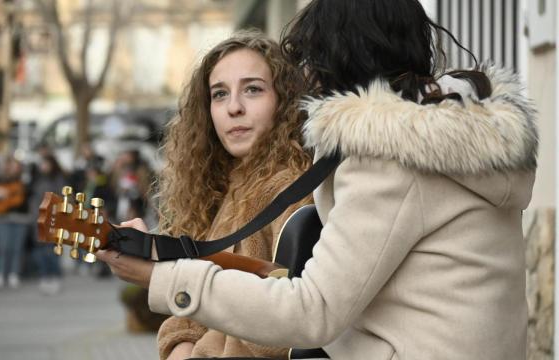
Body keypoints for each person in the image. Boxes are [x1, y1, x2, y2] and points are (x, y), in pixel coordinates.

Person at [97, 1, 538, 359]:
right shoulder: (457, 134)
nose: (307, 79)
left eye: (314, 62)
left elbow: (311, 312)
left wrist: (164, 280)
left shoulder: (391, 160)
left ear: (341, 62)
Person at [147, 30, 314, 360]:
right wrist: (181, 344)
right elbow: (197, 305)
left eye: (252, 89)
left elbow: (287, 327)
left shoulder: (294, 188)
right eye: (219, 94)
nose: (233, 107)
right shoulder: (225, 189)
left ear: (284, 99)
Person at [29, 154, 66, 295]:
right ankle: (44, 276)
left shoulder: (58, 180)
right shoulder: (37, 180)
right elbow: (33, 201)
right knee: (40, 252)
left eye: (45, 163)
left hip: (53, 221)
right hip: (38, 221)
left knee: (51, 252)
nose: (43, 166)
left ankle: (55, 277)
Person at [0, 156, 29, 289]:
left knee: (16, 248)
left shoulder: (24, 181)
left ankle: (14, 274)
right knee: (3, 247)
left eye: (15, 166)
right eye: (10, 165)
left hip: (20, 219)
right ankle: (0, 273)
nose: (12, 168)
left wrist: (6, 197)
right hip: (3, 218)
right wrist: (7, 197)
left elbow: (19, 200)